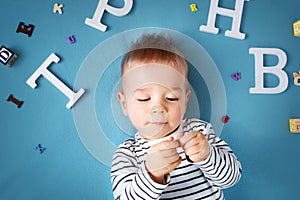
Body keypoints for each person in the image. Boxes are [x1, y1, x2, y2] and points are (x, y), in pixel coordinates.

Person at [111, 34, 242, 200]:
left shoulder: (199, 132)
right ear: (124, 104)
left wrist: (207, 155)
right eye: (144, 99)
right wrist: (152, 174)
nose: (158, 108)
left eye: (171, 98)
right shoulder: (128, 154)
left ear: (185, 101)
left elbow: (232, 177)